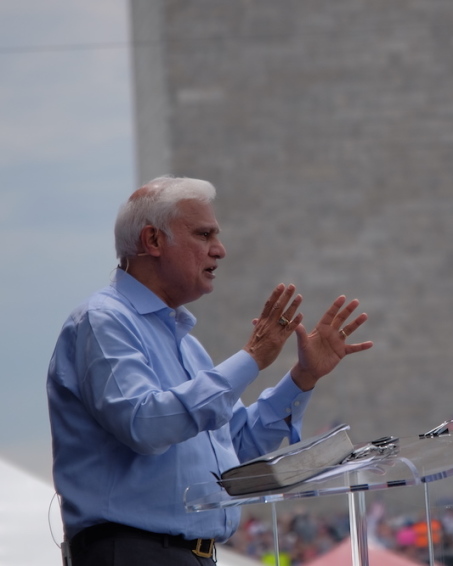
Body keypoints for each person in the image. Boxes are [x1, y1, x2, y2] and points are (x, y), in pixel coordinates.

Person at [47, 175, 373, 565]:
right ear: (152, 241)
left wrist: (302, 378)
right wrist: (252, 357)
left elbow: (232, 451)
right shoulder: (102, 321)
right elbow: (145, 425)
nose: (219, 250)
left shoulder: (186, 343)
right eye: (203, 235)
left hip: (191, 555)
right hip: (134, 551)